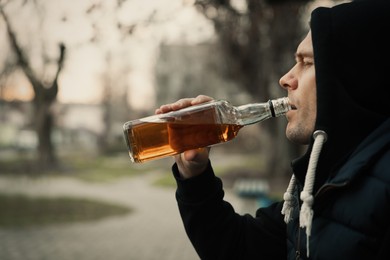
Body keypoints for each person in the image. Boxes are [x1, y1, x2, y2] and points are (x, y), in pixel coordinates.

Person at [155, 1, 390, 259]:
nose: (285, 79)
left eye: (307, 62)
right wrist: (194, 174)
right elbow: (240, 248)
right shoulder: (321, 180)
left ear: (355, 75)